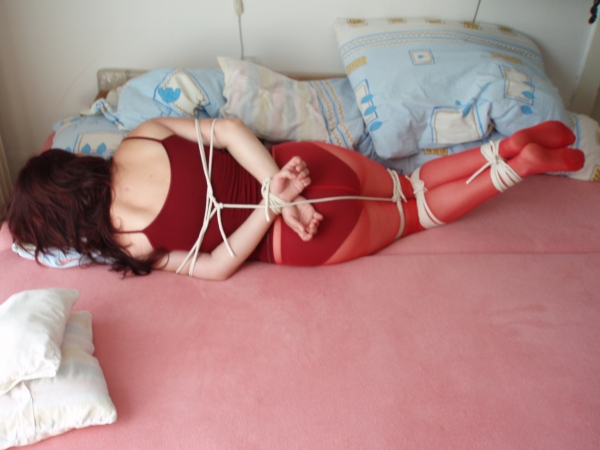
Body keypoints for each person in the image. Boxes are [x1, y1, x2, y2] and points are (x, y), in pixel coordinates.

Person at [6, 118, 584, 280]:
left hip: (298, 236)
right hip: (300, 164)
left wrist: (276, 206)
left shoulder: (128, 244)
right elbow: (231, 129)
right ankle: (504, 147)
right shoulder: (142, 136)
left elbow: (219, 265)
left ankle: (517, 171)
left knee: (420, 214)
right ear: (73, 166)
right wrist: (278, 185)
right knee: (408, 183)